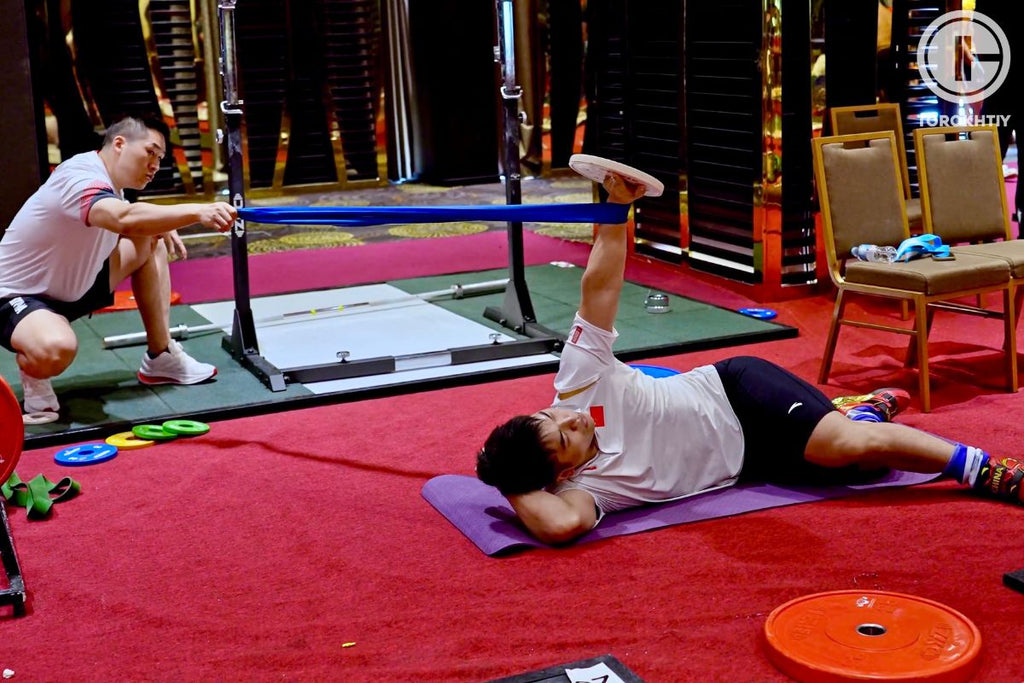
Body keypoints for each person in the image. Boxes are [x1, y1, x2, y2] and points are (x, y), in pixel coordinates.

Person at [475, 172, 1023, 546]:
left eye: (548, 417)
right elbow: (558, 528)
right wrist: (510, 478)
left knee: (853, 448)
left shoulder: (575, 384)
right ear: (563, 472)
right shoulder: (585, 492)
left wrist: (617, 212)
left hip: (737, 393)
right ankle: (858, 409)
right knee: (864, 467)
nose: (567, 417)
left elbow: (598, 288)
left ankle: (983, 469)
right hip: (748, 463)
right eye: (566, 437)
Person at [0, 114, 238, 418]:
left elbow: (128, 220)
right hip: (16, 296)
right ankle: (35, 380)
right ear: (120, 144)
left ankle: (161, 356)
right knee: (55, 348)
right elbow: (121, 218)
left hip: (73, 285)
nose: (155, 165)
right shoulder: (80, 176)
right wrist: (196, 211)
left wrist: (160, 223)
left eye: (161, 158)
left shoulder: (113, 184)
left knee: (149, 239)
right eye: (150, 152)